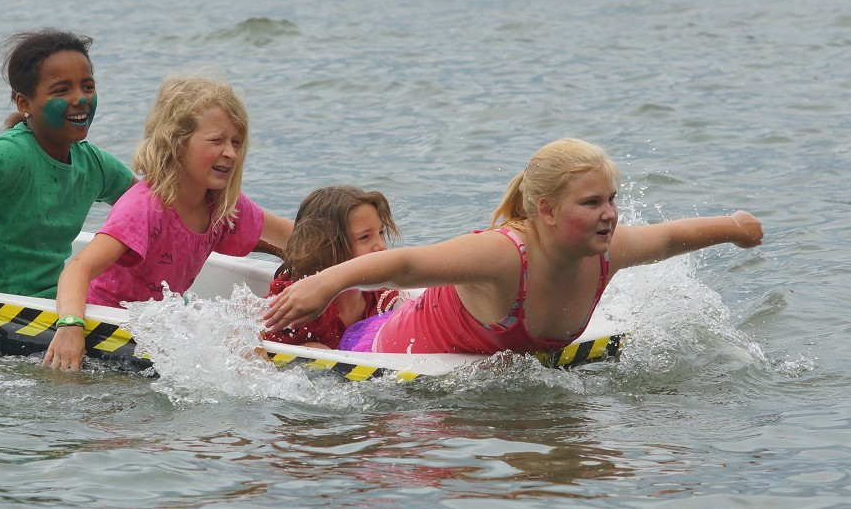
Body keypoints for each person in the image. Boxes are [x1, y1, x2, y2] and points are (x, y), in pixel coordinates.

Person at [264, 138, 764, 356]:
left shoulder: (607, 250)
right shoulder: (505, 255)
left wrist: (735, 226)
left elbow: (671, 237)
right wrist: (325, 283)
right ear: (544, 210)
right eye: (591, 202)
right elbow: (409, 263)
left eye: (610, 199)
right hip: (382, 344)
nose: (609, 213)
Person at [43, 75, 293, 371]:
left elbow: (292, 237)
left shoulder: (222, 204)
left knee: (245, 315)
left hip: (161, 324)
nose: (231, 153)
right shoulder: (144, 208)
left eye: (237, 143)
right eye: (217, 141)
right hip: (106, 328)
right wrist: (70, 326)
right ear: (176, 143)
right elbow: (78, 268)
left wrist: (346, 268)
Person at [0, 29, 134, 316]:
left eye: (87, 87)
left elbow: (148, 210)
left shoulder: (95, 164)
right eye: (62, 90)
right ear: (24, 103)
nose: (80, 99)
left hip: (46, 305)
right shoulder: (10, 154)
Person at [265, 185, 402, 349]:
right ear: (325, 248)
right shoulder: (299, 299)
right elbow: (249, 331)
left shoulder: (382, 296)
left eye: (380, 233)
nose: (380, 245)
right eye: (364, 237)